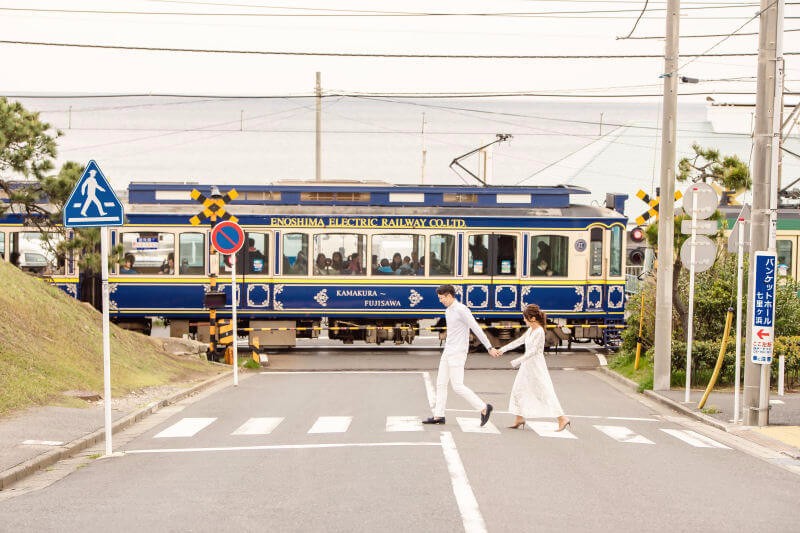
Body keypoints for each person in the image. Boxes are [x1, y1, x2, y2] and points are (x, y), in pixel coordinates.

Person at [490, 303, 570, 432]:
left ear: (532, 318)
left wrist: (517, 361)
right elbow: (519, 341)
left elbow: (533, 352)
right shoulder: (531, 329)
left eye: (525, 317)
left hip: (536, 366)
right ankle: (519, 418)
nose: (523, 319)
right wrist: (502, 350)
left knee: (545, 391)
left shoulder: (539, 332)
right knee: (518, 389)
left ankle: (562, 418)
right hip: (527, 365)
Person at [423, 284, 495, 426]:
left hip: (458, 352)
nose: (440, 301)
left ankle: (484, 408)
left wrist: (489, 347)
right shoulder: (448, 310)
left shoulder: (462, 310)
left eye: (442, 298)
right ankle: (439, 416)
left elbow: (476, 328)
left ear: (449, 295)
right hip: (448, 351)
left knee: (457, 386)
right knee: (441, 383)